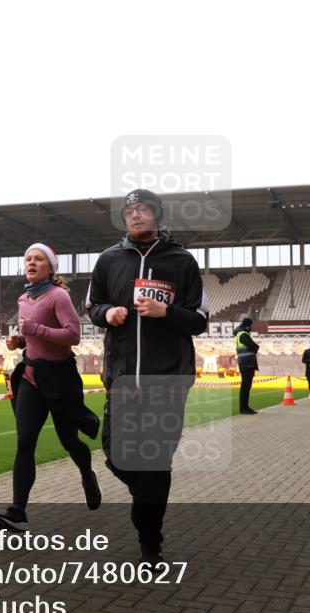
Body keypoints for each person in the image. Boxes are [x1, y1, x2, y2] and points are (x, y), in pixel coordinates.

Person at [85, 188, 208, 564]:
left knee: (157, 464)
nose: (136, 215)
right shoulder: (108, 260)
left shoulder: (182, 260)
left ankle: (150, 543)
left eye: (143, 209)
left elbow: (200, 320)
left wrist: (164, 311)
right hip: (122, 378)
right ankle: (146, 497)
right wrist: (106, 314)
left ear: (156, 214)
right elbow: (91, 306)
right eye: (130, 211)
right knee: (116, 454)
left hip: (167, 381)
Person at [0, 243, 101, 532]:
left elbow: (73, 336)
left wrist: (34, 331)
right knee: (25, 441)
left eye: (38, 259)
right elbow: (33, 337)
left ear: (51, 267)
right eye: (28, 258)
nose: (31, 262)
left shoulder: (59, 296)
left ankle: (87, 473)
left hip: (59, 380)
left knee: (69, 441)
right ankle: (17, 511)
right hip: (31, 376)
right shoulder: (23, 298)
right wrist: (21, 341)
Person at [234, 317, 259, 415]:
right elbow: (254, 346)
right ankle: (244, 408)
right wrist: (256, 348)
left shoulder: (240, 334)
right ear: (248, 326)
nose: (251, 328)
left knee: (245, 386)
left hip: (244, 362)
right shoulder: (243, 335)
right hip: (247, 363)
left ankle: (244, 407)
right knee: (246, 386)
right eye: (250, 326)